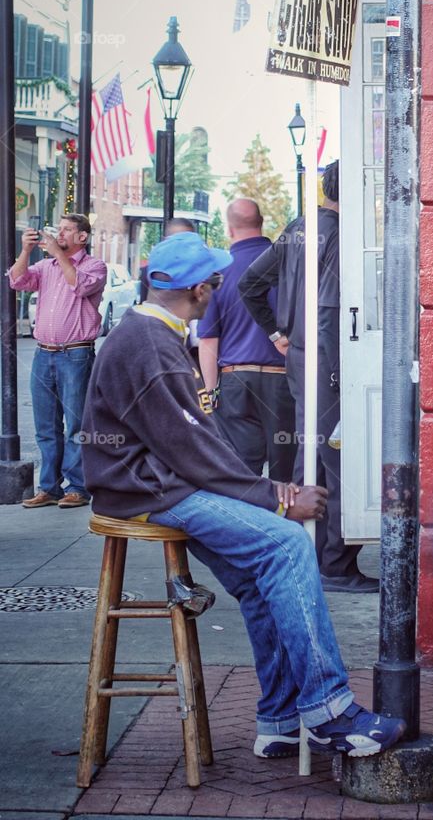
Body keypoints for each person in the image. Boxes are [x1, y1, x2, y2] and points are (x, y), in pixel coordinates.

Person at [80, 232, 405, 760]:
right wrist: (277, 498)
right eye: (212, 281)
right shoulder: (150, 344)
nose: (215, 287)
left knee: (260, 577)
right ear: (202, 290)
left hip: (157, 482)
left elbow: (196, 447)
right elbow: (192, 451)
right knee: (286, 545)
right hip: (151, 489)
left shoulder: (151, 333)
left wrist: (266, 492)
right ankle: (328, 712)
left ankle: (279, 719)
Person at [239, 161, 376, 593]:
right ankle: (331, 562)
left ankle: (304, 556)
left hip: (302, 353)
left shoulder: (299, 226)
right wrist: (338, 367)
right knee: (337, 458)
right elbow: (331, 309)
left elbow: (250, 283)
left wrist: (280, 333)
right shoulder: (339, 232)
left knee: (310, 455)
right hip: (326, 354)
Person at [8, 214, 107, 509]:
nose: (59, 234)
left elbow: (79, 285)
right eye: (58, 229)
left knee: (76, 424)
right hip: (43, 352)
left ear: (82, 237)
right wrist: (25, 251)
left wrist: (56, 254)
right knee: (45, 426)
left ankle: (77, 486)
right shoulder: (45, 266)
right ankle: (48, 487)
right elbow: (17, 281)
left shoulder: (94, 266)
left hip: (75, 353)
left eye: (66, 230)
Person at [197, 199, 297, 482]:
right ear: (262, 221)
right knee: (285, 469)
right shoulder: (287, 263)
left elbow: (208, 341)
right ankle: (284, 522)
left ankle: (247, 522)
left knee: (241, 470)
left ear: (229, 229)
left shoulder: (218, 273)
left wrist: (211, 391)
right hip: (284, 378)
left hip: (235, 381)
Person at [138, 218, 194, 302]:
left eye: (185, 241)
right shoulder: (150, 272)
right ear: (164, 240)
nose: (178, 246)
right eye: (173, 240)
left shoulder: (200, 274)